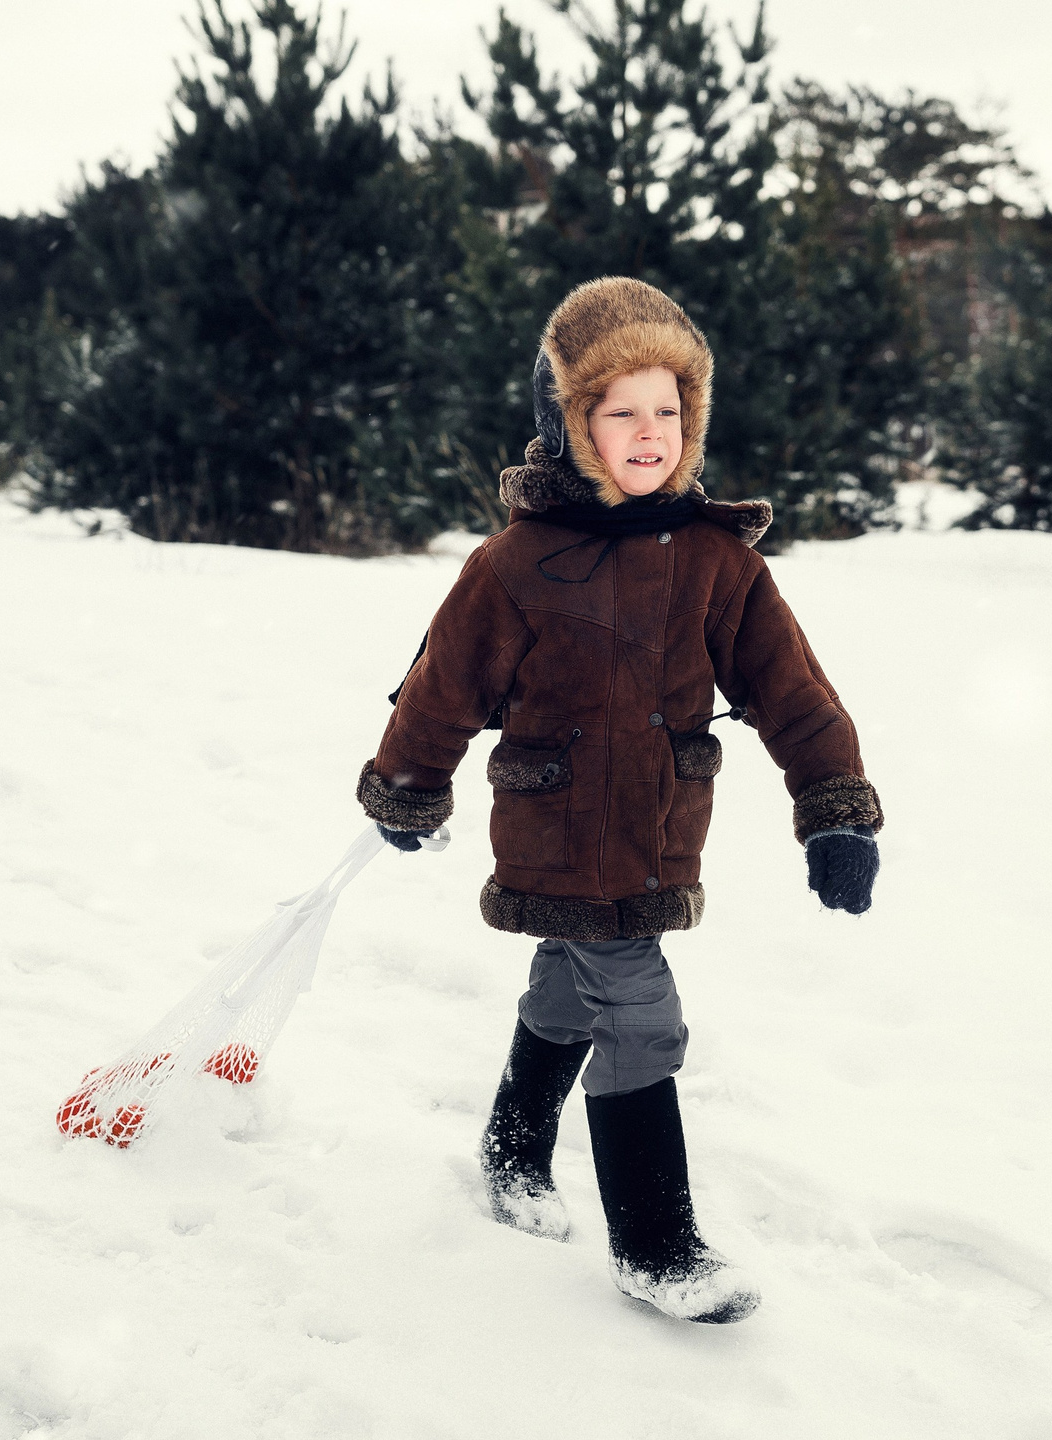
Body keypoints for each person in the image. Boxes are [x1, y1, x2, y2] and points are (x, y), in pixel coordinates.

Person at [356, 277, 883, 1324]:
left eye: (668, 409)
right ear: (568, 425)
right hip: (556, 821)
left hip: (658, 827)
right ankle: (655, 1243)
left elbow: (791, 687)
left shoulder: (718, 562)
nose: (649, 433)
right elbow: (443, 685)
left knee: (570, 982)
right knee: (640, 1014)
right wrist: (409, 788)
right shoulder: (515, 564)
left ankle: (511, 1148)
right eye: (619, 410)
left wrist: (832, 805)